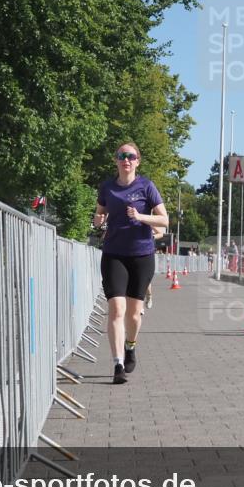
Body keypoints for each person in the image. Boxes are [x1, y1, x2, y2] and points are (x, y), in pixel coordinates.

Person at [93, 142, 169, 384]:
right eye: (121, 156)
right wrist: (98, 220)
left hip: (141, 255)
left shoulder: (146, 186)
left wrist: (140, 216)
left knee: (134, 315)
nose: (126, 160)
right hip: (114, 253)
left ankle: (131, 345)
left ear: (138, 161)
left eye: (131, 156)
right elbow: (99, 216)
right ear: (116, 160)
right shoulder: (107, 187)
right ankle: (117, 365)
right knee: (116, 309)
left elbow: (164, 220)